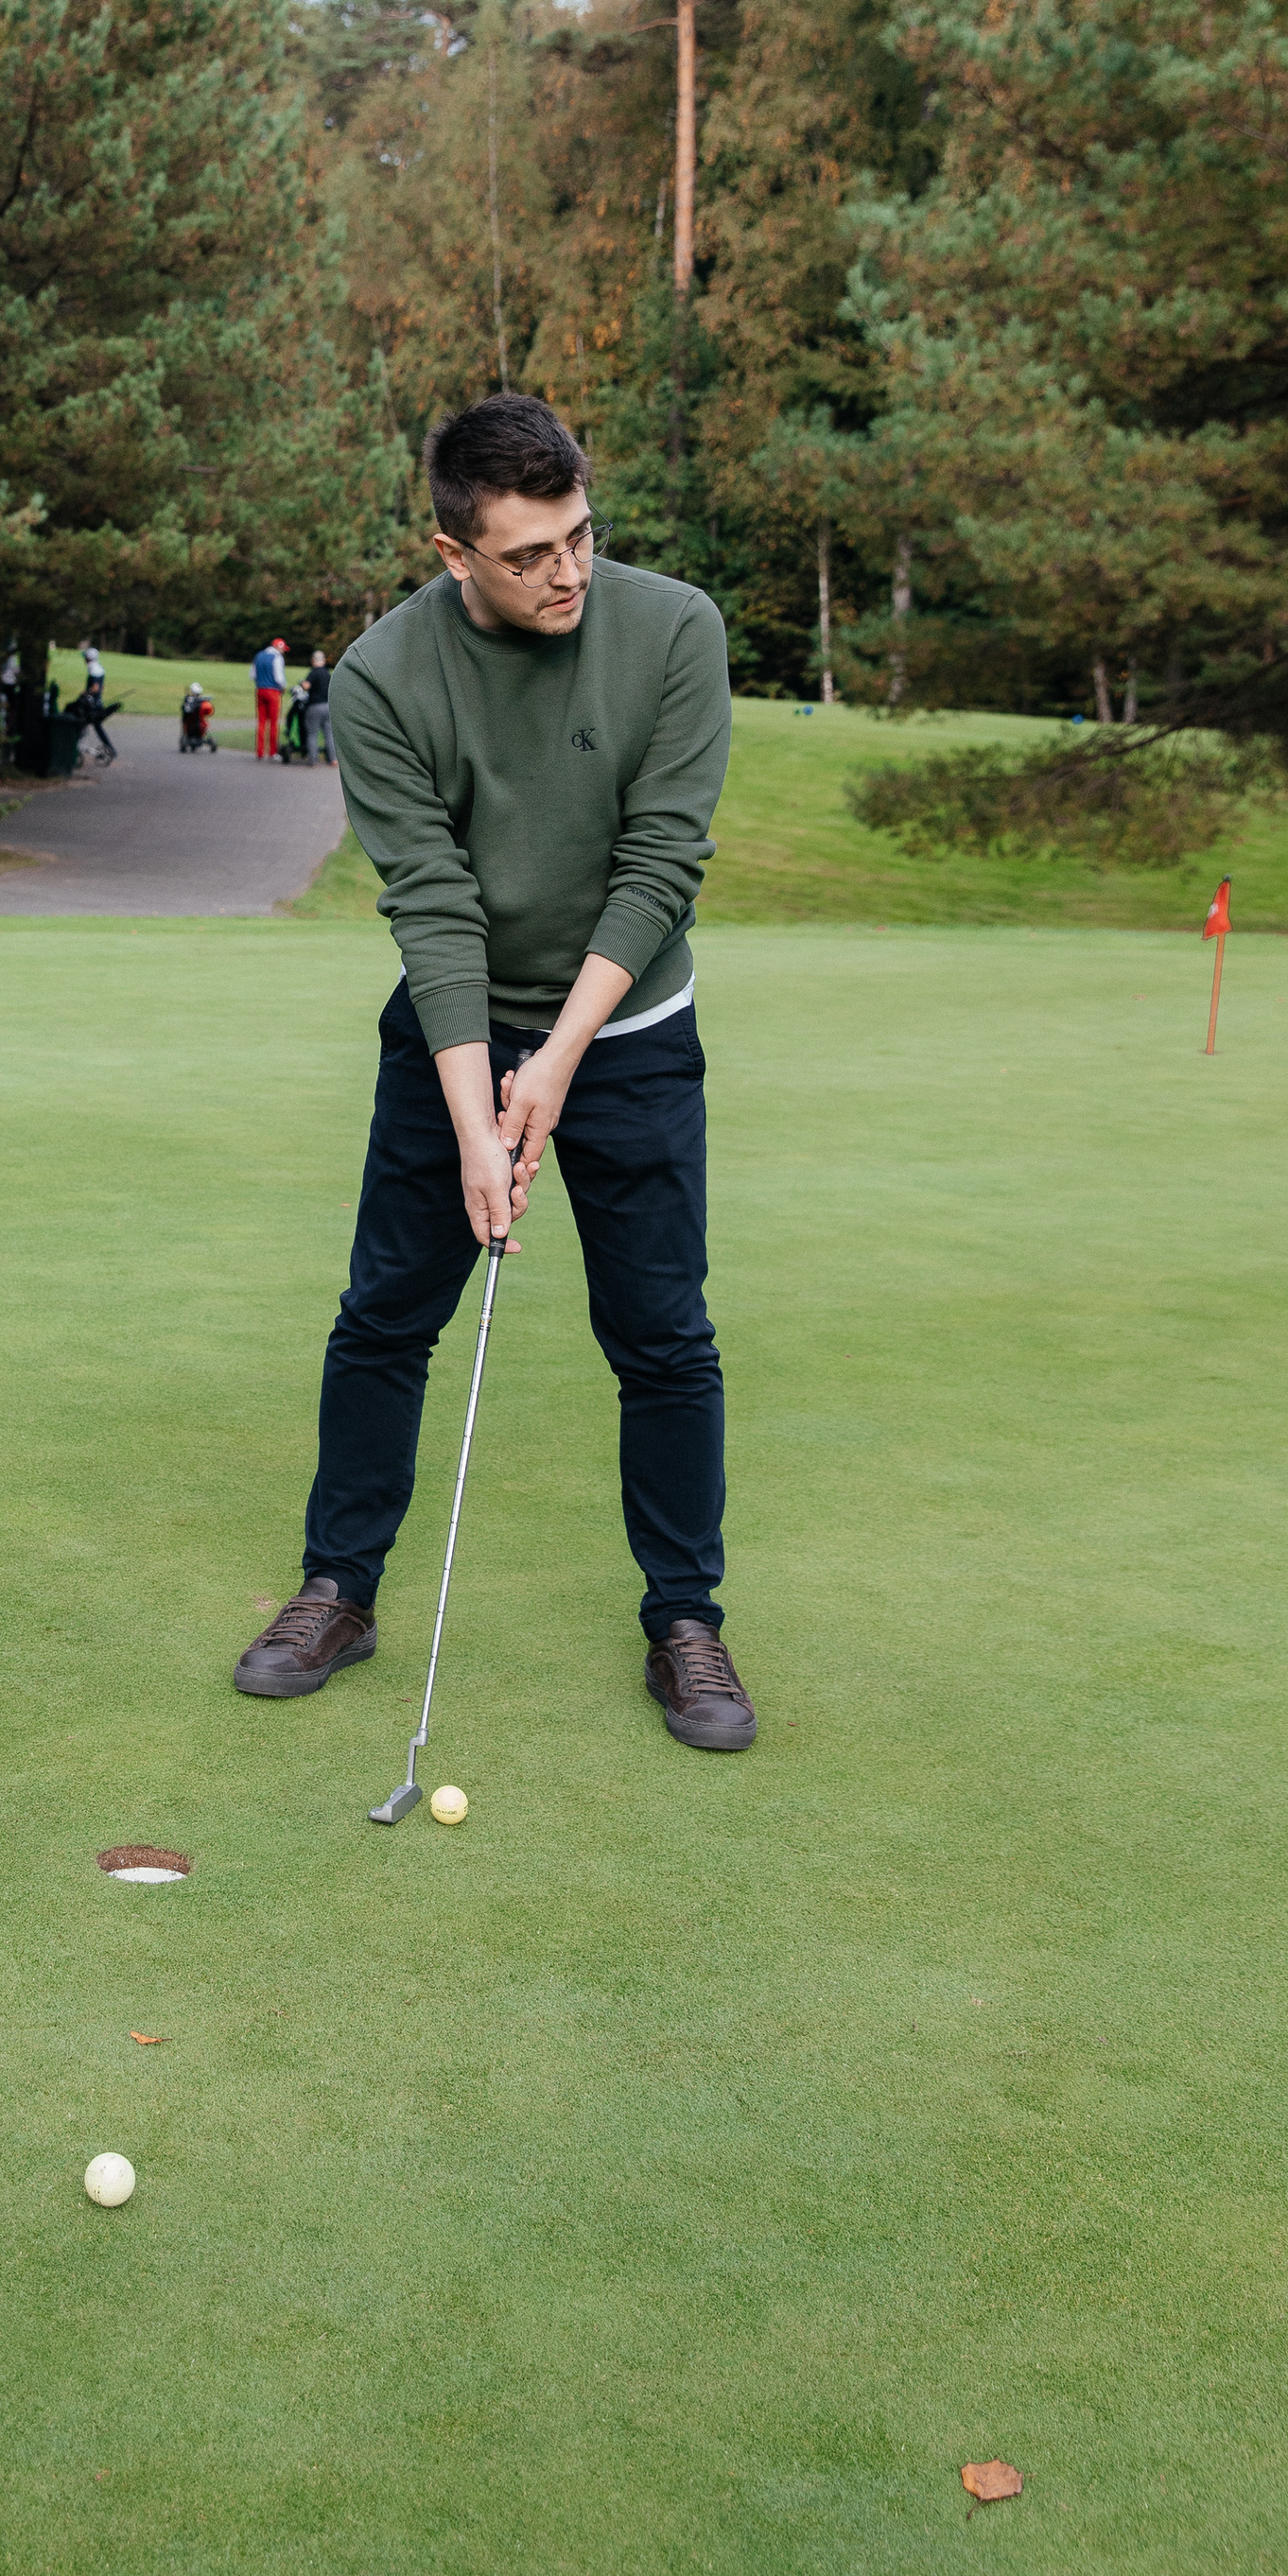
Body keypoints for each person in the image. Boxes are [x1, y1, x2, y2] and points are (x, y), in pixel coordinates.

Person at [233, 391, 751, 1753]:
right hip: (455, 1028)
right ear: (455, 551)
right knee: (387, 1315)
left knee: (663, 1334)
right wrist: (479, 1111)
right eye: (530, 556)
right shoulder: (390, 673)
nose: (568, 572)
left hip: (628, 1030)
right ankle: (338, 1589)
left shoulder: (676, 628)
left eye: (581, 536)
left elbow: (661, 867)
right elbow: (433, 904)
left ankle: (685, 1622)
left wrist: (558, 1062)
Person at [251, 635, 287, 760]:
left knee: (261, 722)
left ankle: (259, 752)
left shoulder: (259, 655)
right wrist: (283, 687)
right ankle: (272, 752)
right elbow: (279, 677)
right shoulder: (277, 657)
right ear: (279, 647)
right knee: (273, 722)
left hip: (260, 689)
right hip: (273, 691)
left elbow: (253, 675)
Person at [303, 650, 335, 766]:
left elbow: (306, 686)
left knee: (312, 733)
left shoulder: (314, 673)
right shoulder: (327, 673)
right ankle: (333, 759)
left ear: (313, 660)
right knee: (329, 733)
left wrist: (302, 683)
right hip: (328, 706)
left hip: (315, 706)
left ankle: (313, 759)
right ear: (324, 660)